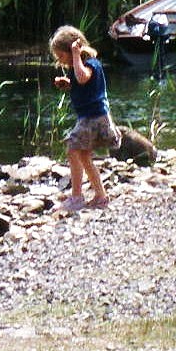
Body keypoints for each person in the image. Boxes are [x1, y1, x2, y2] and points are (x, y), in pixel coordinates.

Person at [49, 25, 121, 213]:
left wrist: (75, 54)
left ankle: (77, 196)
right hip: (91, 116)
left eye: (61, 56)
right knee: (83, 155)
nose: (59, 61)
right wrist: (68, 83)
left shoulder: (90, 64)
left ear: (72, 50)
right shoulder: (77, 67)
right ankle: (100, 195)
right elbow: (81, 84)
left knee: (73, 150)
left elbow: (83, 78)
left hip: (93, 117)